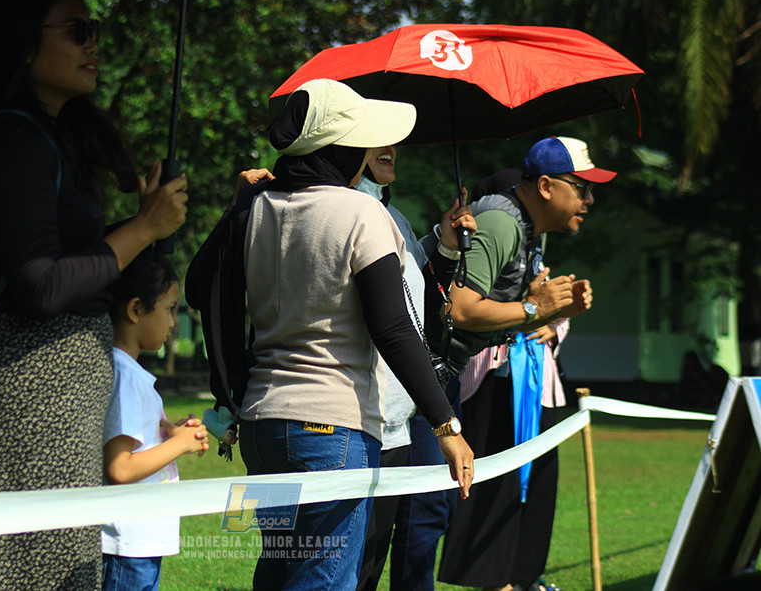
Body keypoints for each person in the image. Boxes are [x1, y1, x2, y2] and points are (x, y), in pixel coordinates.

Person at [0, 0, 188, 591]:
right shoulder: (15, 138)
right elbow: (40, 284)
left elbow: (68, 261)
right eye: (77, 31)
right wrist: (142, 231)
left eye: (93, 30)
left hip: (56, 411)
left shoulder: (46, 136)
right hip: (19, 405)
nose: (93, 44)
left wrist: (138, 223)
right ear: (23, 42)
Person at [238, 78, 474, 591]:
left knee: (277, 571)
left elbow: (200, 286)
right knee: (322, 581)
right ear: (339, 148)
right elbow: (393, 328)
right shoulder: (362, 211)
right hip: (331, 427)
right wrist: (447, 426)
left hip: (262, 422)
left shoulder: (256, 207)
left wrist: (243, 201)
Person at [429, 136, 612, 591]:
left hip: (469, 378)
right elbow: (461, 309)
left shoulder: (530, 232)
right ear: (546, 185)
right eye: (582, 187)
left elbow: (514, 309)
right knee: (425, 518)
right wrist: (535, 311)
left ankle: (516, 581)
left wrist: (555, 311)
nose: (589, 200)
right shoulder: (502, 223)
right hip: (437, 379)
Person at [352, 145, 475, 591]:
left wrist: (443, 244)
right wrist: (446, 424)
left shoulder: (393, 216)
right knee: (339, 569)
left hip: (397, 421)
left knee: (371, 561)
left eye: (395, 139)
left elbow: (417, 303)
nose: (391, 148)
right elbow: (391, 325)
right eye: (376, 137)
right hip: (350, 422)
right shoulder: (342, 210)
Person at [102, 248, 209, 591]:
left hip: (137, 543)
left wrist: (174, 434)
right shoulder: (124, 376)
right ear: (136, 309)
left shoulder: (127, 372)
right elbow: (120, 468)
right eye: (169, 309)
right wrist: (178, 445)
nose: (174, 322)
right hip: (126, 544)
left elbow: (136, 442)